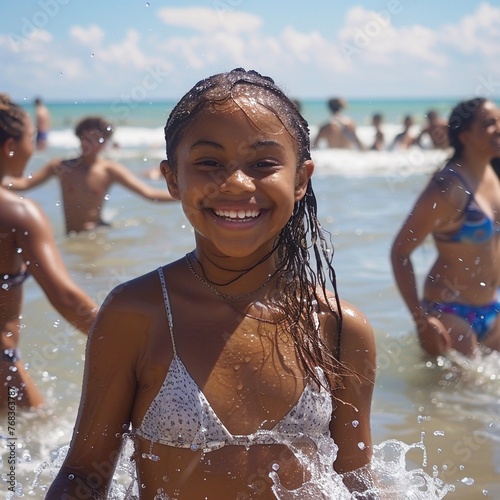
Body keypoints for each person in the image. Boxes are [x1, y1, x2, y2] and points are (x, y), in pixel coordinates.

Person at [46, 69, 376, 498]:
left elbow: (358, 482)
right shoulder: (137, 313)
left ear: (300, 180)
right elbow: (84, 475)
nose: (237, 183)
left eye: (263, 163)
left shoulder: (338, 327)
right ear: (172, 179)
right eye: (209, 163)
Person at [0, 95, 98, 409]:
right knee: (34, 437)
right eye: (31, 138)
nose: (34, 146)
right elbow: (67, 299)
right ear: (10, 147)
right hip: (2, 364)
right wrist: (136, 341)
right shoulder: (18, 213)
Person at [391, 97, 500, 357]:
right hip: (450, 313)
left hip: (492, 308)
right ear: (464, 135)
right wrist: (421, 322)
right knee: (454, 398)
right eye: (489, 123)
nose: (498, 128)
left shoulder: (493, 174)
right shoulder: (447, 188)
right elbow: (400, 251)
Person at [3, 116, 177, 234]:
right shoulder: (60, 167)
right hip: (72, 237)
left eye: (99, 139)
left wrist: (186, 197)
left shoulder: (109, 170)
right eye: (88, 138)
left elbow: (150, 194)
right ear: (79, 137)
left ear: (105, 143)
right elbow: (23, 185)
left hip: (96, 235)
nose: (93, 144)